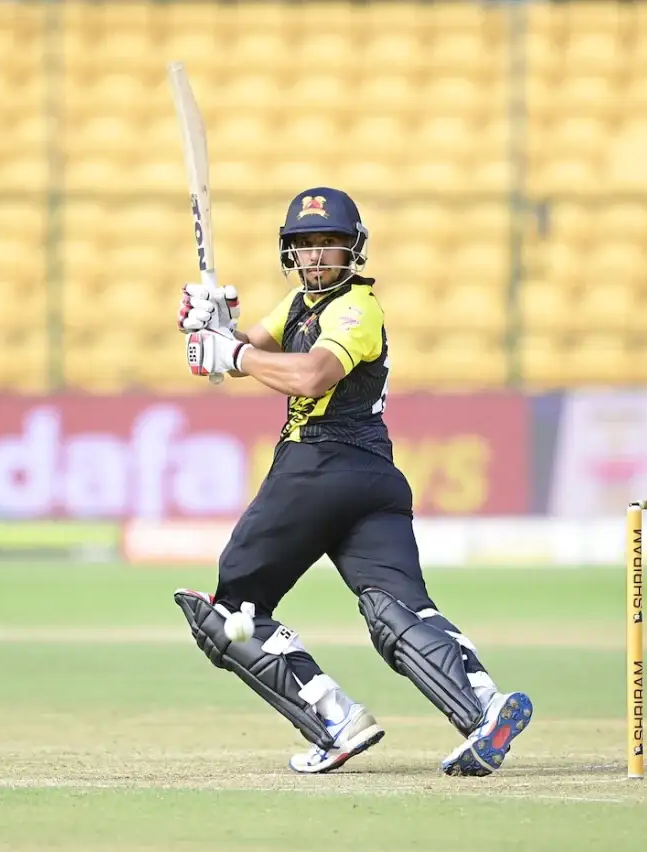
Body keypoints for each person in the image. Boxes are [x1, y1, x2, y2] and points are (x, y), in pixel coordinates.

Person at [173, 187, 532, 776]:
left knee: (231, 613)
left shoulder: (356, 308)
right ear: (291, 251)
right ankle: (485, 708)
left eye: (329, 243)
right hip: (373, 481)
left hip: (316, 466)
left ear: (353, 249)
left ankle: (335, 721)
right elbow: (236, 357)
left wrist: (229, 354)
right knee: (398, 609)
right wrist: (215, 325)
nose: (317, 255)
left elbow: (309, 376)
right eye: (306, 244)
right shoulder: (296, 305)